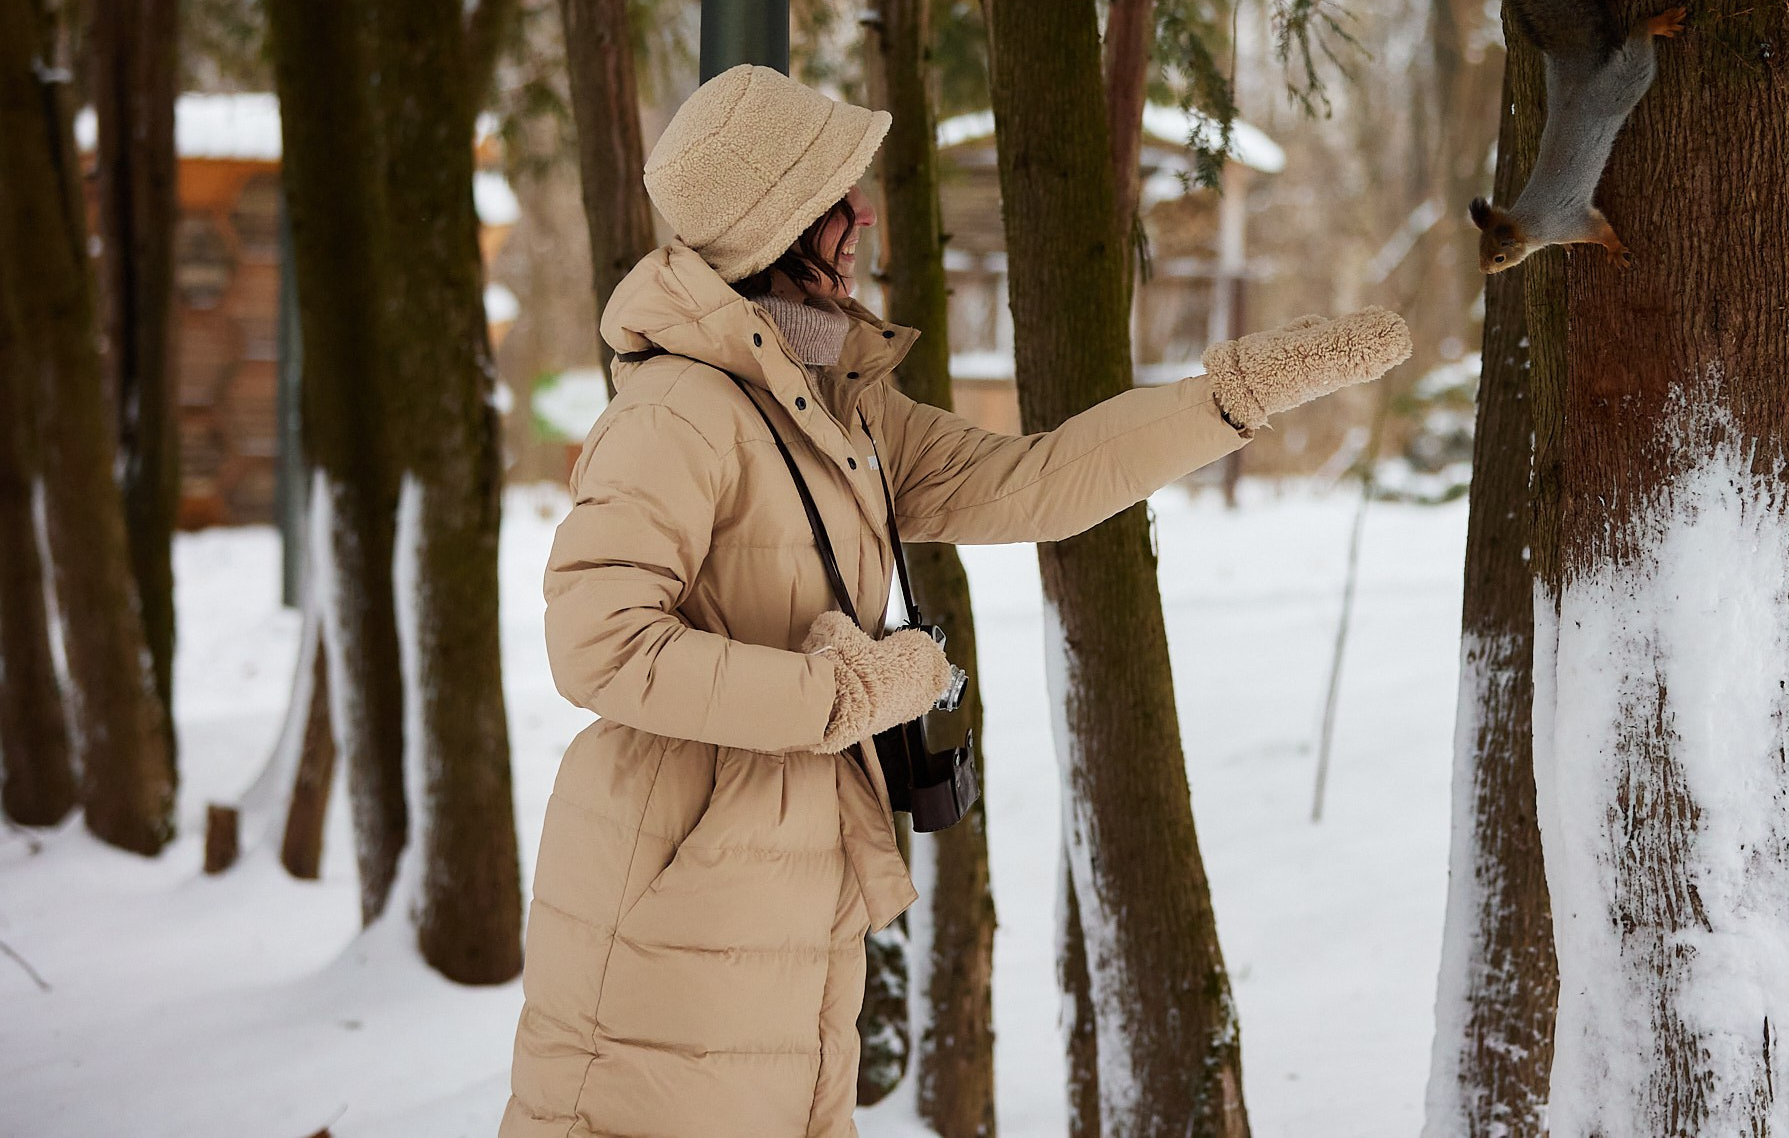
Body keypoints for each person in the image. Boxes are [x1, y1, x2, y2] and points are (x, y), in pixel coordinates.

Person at [500, 65, 1409, 1138]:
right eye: (839, 199)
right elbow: (595, 648)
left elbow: (1033, 484)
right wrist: (839, 695)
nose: (864, 217)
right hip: (675, 886)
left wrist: (1228, 397)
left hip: (786, 878)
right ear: (781, 226)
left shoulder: (836, 405)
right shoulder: (675, 415)